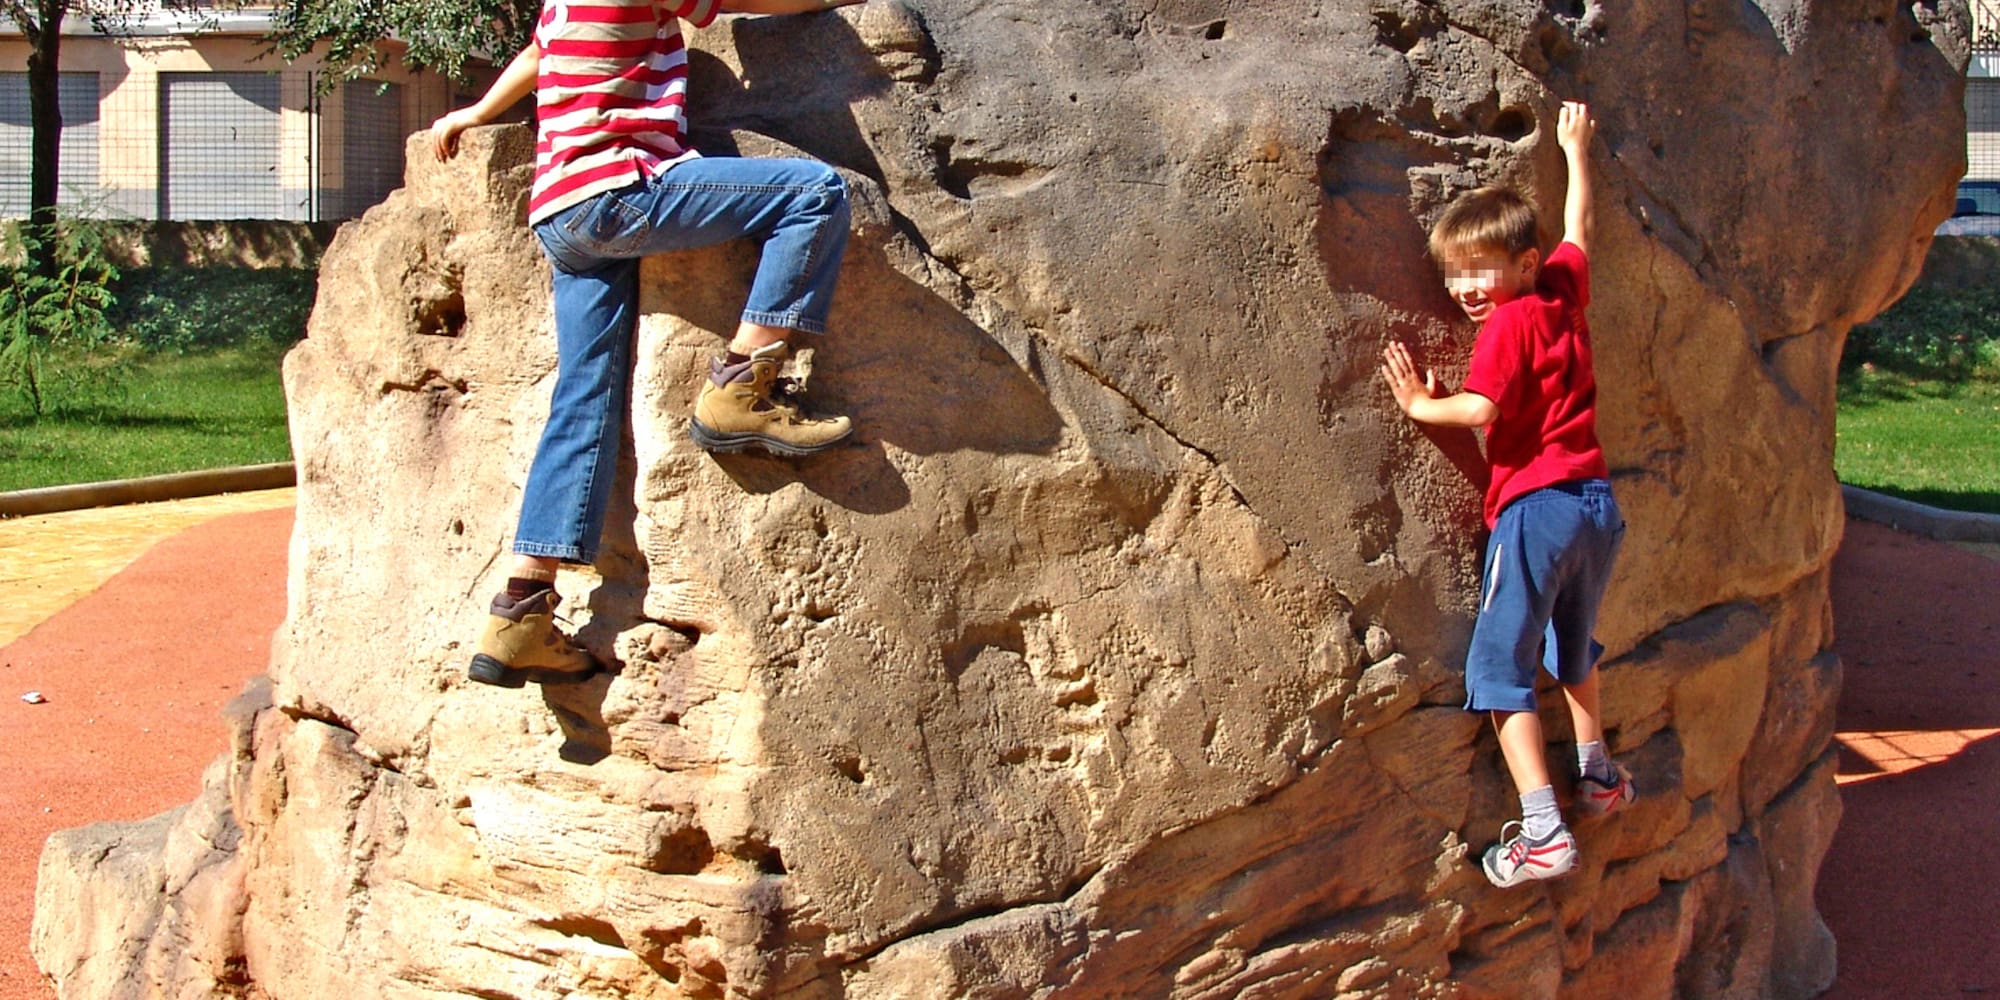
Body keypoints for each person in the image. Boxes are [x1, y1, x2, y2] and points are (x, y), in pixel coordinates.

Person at [430, 0, 865, 688]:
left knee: (582, 402)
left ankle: (518, 614)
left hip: (560, 212)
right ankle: (738, 387)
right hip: (621, 192)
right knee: (815, 194)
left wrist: (476, 110)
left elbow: (540, 55)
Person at [1379, 101, 1634, 888]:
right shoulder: (1560, 292)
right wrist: (1576, 152)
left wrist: (1424, 406)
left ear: (1524, 265)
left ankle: (1544, 829)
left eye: (1480, 270)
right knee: (1571, 644)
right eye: (1454, 274)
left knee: (1498, 670)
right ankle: (1597, 771)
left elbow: (1483, 410)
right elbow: (1579, 230)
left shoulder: (1510, 326)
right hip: (1595, 504)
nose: (1465, 289)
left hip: (1536, 510)